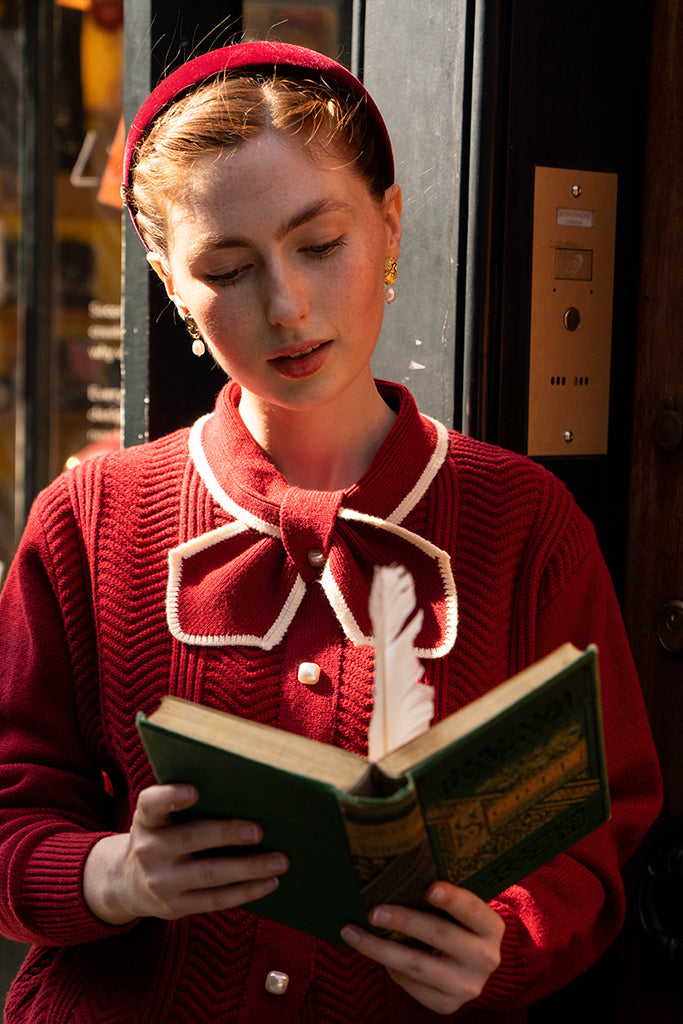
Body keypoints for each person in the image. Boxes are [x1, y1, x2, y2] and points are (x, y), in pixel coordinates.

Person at [0, 41, 662, 1023]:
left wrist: (504, 941)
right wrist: (116, 874)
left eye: (319, 244)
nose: (285, 306)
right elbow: (15, 802)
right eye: (225, 267)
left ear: (388, 225)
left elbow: (592, 824)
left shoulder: (522, 522)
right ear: (170, 284)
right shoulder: (91, 518)